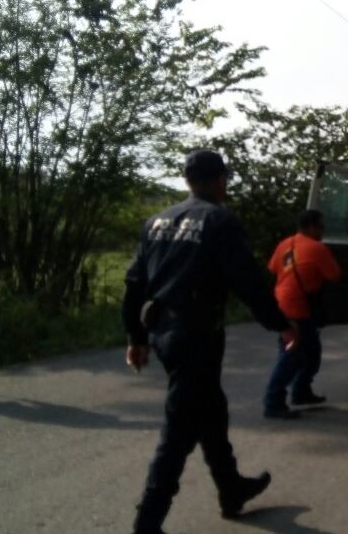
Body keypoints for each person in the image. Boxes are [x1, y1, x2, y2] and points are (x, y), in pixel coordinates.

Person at [122, 149, 299, 534]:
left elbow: (134, 282)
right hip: (196, 336)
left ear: (187, 180)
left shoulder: (156, 221)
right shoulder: (220, 220)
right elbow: (247, 281)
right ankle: (147, 523)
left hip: (164, 332)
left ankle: (231, 489)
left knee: (210, 410)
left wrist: (136, 337)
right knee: (179, 430)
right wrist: (280, 324)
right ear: (220, 180)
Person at [263, 209, 342, 419]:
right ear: (311, 227)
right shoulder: (317, 248)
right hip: (297, 308)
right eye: (321, 226)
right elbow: (334, 276)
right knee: (292, 355)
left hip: (282, 304)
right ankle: (273, 402)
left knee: (312, 352)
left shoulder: (284, 244)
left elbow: (272, 269)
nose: (323, 231)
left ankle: (301, 392)